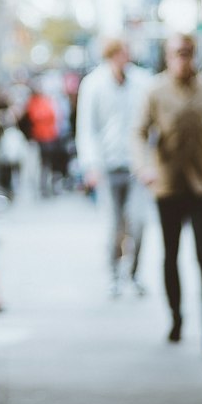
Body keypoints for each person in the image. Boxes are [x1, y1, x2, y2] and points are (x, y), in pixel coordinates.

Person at [134, 33, 202, 350]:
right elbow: (138, 132)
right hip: (169, 185)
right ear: (167, 56)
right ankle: (176, 317)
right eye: (177, 53)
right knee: (171, 255)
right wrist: (143, 166)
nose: (183, 59)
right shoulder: (155, 91)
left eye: (188, 53)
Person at [77, 36, 153, 297]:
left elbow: (151, 125)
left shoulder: (143, 82)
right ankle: (113, 274)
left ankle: (134, 274)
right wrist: (91, 165)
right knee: (112, 227)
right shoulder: (94, 84)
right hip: (107, 165)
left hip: (136, 166)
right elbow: (87, 129)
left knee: (139, 223)